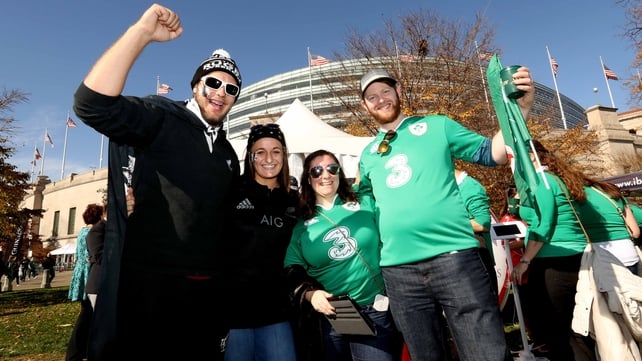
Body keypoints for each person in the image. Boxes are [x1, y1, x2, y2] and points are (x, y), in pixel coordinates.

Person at [72, 4, 242, 360]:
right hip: (151, 288)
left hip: (206, 297)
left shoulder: (228, 153)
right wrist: (142, 33)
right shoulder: (161, 116)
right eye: (213, 82)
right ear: (196, 85)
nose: (220, 92)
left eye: (231, 88)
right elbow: (91, 105)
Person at [357, 67, 535, 361]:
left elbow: (493, 153)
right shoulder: (367, 155)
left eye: (386, 91)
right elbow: (364, 201)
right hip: (398, 271)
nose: (380, 99)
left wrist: (520, 110)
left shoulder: (436, 126)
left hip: (455, 261)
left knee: (485, 354)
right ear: (365, 106)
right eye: (371, 97)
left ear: (399, 91)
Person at [512, 139, 640, 361]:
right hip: (575, 258)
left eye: (515, 158)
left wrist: (525, 261)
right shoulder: (556, 180)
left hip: (556, 261)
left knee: (564, 332)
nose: (512, 164)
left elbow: (544, 224)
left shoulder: (542, 181)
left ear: (531, 156)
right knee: (580, 328)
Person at [284, 149, 401, 361]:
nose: (325, 175)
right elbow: (291, 271)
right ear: (308, 179)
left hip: (374, 309)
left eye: (332, 168)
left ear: (339, 172)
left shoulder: (366, 203)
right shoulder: (301, 227)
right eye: (317, 171)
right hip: (331, 316)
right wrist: (311, 295)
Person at [222, 123, 299, 361]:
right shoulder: (230, 191)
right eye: (261, 151)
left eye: (276, 151)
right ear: (250, 156)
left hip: (275, 313)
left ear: (284, 156)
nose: (269, 158)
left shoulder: (294, 201)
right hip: (233, 314)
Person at [66, 203, 105, 361]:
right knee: (87, 314)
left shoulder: (82, 232)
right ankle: (79, 351)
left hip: (81, 272)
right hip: (89, 271)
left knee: (87, 314)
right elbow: (94, 253)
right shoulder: (94, 231)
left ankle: (80, 351)